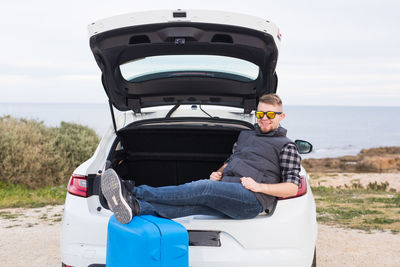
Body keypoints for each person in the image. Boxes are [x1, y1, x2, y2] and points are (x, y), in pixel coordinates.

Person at [101, 94, 301, 224]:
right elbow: (233, 158)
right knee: (191, 206)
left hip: (252, 199)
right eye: (260, 113)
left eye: (269, 114)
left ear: (281, 116)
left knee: (204, 188)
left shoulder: (286, 146)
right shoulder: (246, 135)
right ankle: (135, 207)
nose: (264, 118)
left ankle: (131, 190)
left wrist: (260, 187)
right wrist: (220, 172)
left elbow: (292, 186)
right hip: (229, 187)